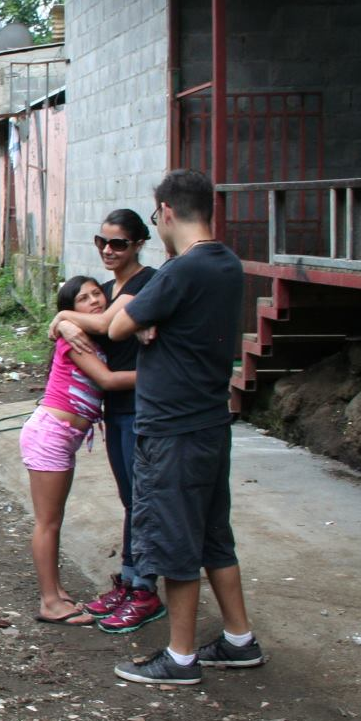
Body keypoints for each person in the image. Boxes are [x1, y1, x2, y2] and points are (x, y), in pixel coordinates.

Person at [104, 169, 266, 686]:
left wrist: (141, 315)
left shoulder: (180, 272)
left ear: (167, 213)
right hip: (210, 423)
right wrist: (152, 319)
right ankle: (239, 640)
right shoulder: (227, 264)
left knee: (175, 544)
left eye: (156, 217)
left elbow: (115, 324)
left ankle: (180, 656)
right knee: (215, 536)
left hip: (172, 431)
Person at [50, 209, 164, 634]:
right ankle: (132, 578)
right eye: (103, 242)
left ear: (138, 244)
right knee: (130, 499)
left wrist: (62, 318)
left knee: (143, 498)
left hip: (140, 405)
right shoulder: (109, 288)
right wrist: (62, 323)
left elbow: (105, 324)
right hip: (115, 409)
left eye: (119, 243)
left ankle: (145, 588)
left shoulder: (144, 281)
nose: (109, 250)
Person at [21, 277, 134, 626]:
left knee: (54, 520)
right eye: (83, 299)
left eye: (97, 293)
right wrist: (169, 375)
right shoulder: (76, 339)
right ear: (71, 308)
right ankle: (49, 602)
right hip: (50, 435)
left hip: (60, 436)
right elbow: (109, 381)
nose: (94, 301)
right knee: (48, 522)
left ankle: (56, 591)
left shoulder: (88, 334)